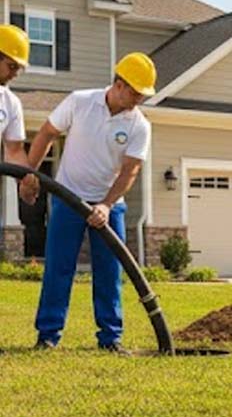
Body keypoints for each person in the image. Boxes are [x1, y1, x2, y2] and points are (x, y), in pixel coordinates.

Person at [22, 53, 156, 354]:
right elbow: (47, 133)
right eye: (136, 92)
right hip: (68, 198)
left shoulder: (139, 125)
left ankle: (110, 338)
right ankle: (48, 335)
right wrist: (30, 174)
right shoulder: (80, 102)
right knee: (59, 268)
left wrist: (106, 205)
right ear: (119, 84)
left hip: (109, 206)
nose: (140, 99)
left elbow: (130, 170)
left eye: (143, 94)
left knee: (109, 272)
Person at [0, 25, 39, 355]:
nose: (15, 73)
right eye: (11, 65)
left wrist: (25, 180)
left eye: (19, 68)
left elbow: (13, 150)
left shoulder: (10, 102)